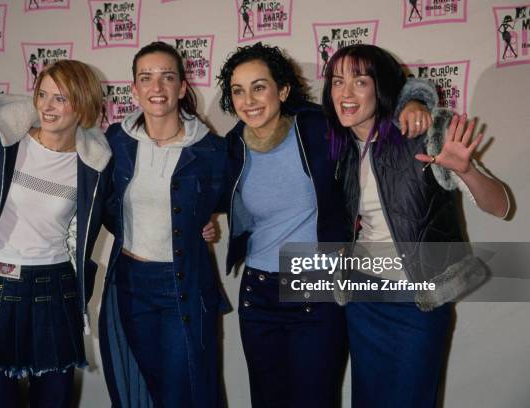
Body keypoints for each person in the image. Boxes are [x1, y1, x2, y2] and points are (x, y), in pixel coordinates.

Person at [216, 42, 436, 408]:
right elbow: (206, 197)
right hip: (257, 292)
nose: (248, 100)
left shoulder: (321, 127)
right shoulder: (231, 147)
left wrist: (415, 102)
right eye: (238, 90)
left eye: (259, 86)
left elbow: (378, 100)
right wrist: (204, 225)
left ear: (283, 90)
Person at [321, 44, 509, 408]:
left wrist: (465, 170)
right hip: (363, 298)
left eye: (360, 82)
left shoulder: (426, 132)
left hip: (417, 302)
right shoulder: (340, 147)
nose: (345, 94)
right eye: (337, 82)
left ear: (380, 87)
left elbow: (501, 206)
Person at [0, 60, 112, 407]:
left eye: (60, 98)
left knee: (53, 402)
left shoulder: (95, 164)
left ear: (84, 102)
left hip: (56, 291)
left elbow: (121, 214)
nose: (46, 106)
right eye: (42, 94)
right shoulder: (0, 145)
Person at [98, 41, 228, 408]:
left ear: (182, 87)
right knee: (146, 387)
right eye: (147, 78)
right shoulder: (116, 142)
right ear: (135, 88)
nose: (157, 87)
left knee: (181, 391)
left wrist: (201, 225)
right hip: (130, 284)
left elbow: (233, 197)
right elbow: (64, 152)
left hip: (181, 283)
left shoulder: (210, 150)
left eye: (167, 77)